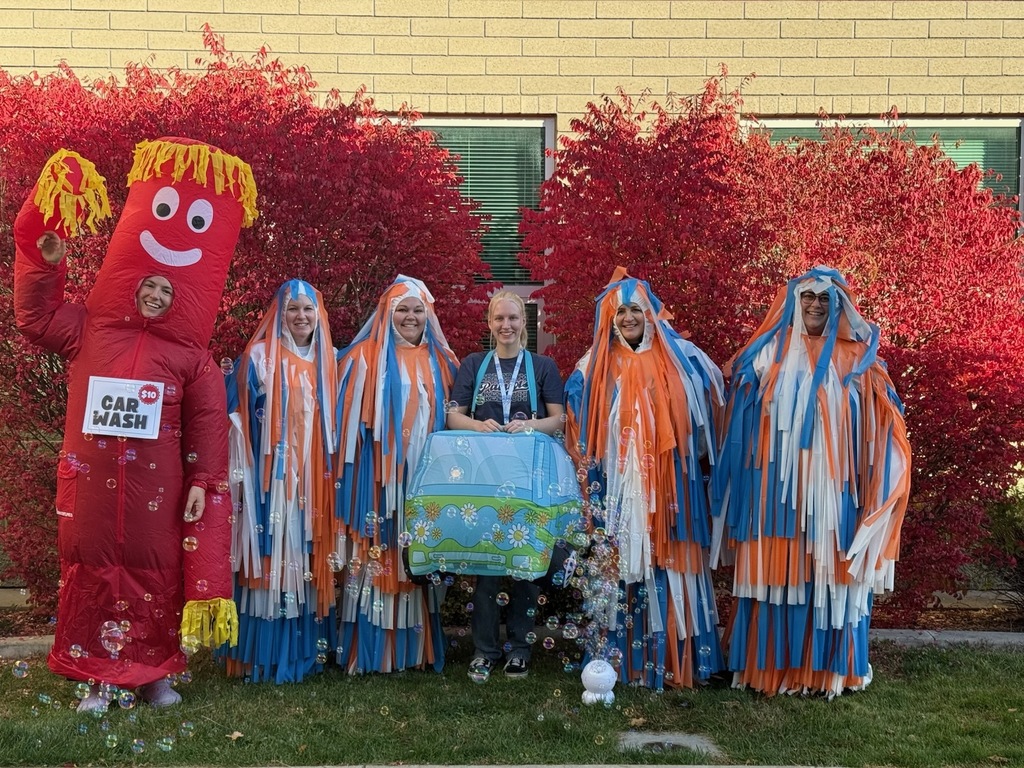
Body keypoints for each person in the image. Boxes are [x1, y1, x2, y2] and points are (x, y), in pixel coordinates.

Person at [13, 140, 254, 711]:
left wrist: (203, 483)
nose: (155, 294)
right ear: (134, 287)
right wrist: (47, 261)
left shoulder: (191, 358)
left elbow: (208, 425)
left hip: (157, 487)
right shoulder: (89, 330)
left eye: (166, 290)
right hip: (90, 482)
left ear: (178, 298)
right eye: (149, 286)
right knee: (93, 570)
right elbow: (34, 318)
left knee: (156, 572)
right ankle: (98, 677)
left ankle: (153, 674)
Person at [711, 265, 911, 697]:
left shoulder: (858, 359)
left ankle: (827, 672)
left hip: (836, 493)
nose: (816, 305)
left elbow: (882, 422)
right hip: (774, 493)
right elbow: (739, 411)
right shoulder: (769, 353)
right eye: (807, 297)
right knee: (774, 573)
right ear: (793, 302)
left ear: (838, 305)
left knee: (828, 572)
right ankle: (767, 669)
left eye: (824, 298)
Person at [564, 267, 726, 690]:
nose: (628, 317)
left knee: (671, 563)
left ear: (651, 314)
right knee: (620, 564)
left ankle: (675, 659)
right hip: (616, 487)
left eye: (635, 309)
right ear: (609, 319)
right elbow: (579, 428)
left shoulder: (681, 360)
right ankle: (622, 661)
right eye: (620, 312)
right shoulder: (593, 365)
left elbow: (706, 419)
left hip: (671, 486)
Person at [334, 276, 459, 673]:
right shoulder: (362, 359)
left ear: (428, 315)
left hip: (427, 476)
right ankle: (371, 649)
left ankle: (414, 649)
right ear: (387, 314)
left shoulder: (443, 363)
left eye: (417, 310)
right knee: (380, 550)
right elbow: (345, 429)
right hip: (379, 478)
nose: (410, 316)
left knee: (418, 550)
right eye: (401, 309)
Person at [224, 279, 339, 684]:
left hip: (317, 481)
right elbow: (236, 413)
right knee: (273, 559)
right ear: (279, 314)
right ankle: (264, 655)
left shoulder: (332, 360)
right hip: (271, 480)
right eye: (293, 308)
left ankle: (307, 651)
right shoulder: (259, 358)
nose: (301, 316)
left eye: (309, 309)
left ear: (319, 315)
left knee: (307, 560)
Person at [447, 290, 565, 681]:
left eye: (513, 318)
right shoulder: (473, 364)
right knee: (487, 567)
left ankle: (520, 649)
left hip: (529, 479)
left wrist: (529, 425)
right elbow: (452, 417)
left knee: (526, 565)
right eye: (499, 318)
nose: (506, 325)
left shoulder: (543, 366)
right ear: (489, 323)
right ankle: (485, 650)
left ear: (523, 322)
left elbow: (559, 419)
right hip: (483, 478)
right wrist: (477, 425)